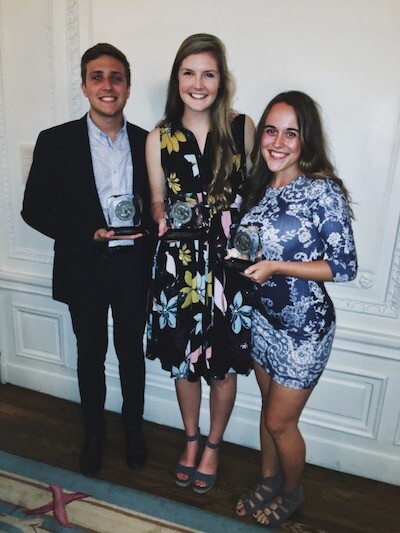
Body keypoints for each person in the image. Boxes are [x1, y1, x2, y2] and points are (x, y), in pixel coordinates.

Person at [21, 43, 154, 476]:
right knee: (90, 353)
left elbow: (160, 205)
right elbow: (34, 208)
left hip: (134, 267)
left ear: (128, 87)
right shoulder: (55, 141)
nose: (107, 85)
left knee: (131, 353)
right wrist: (87, 232)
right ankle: (94, 433)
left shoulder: (148, 142)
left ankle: (134, 431)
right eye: (97, 76)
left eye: (116, 77)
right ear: (84, 86)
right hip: (85, 263)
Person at [232, 91, 357, 526]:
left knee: (281, 423)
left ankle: (291, 492)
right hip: (263, 322)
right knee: (269, 411)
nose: (278, 142)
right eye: (271, 130)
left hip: (304, 331)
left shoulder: (323, 191)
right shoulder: (260, 185)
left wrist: (276, 266)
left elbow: (344, 266)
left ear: (307, 140)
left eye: (291, 132)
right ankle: (268, 479)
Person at [145, 33, 255, 493]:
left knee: (222, 364)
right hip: (180, 267)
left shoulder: (242, 126)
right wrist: (160, 216)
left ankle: (213, 445)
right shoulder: (159, 136)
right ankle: (190, 440)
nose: (198, 82)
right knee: (185, 364)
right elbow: (155, 201)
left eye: (208, 73)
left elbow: (255, 195)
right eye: (189, 72)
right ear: (177, 78)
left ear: (221, 79)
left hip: (228, 266)